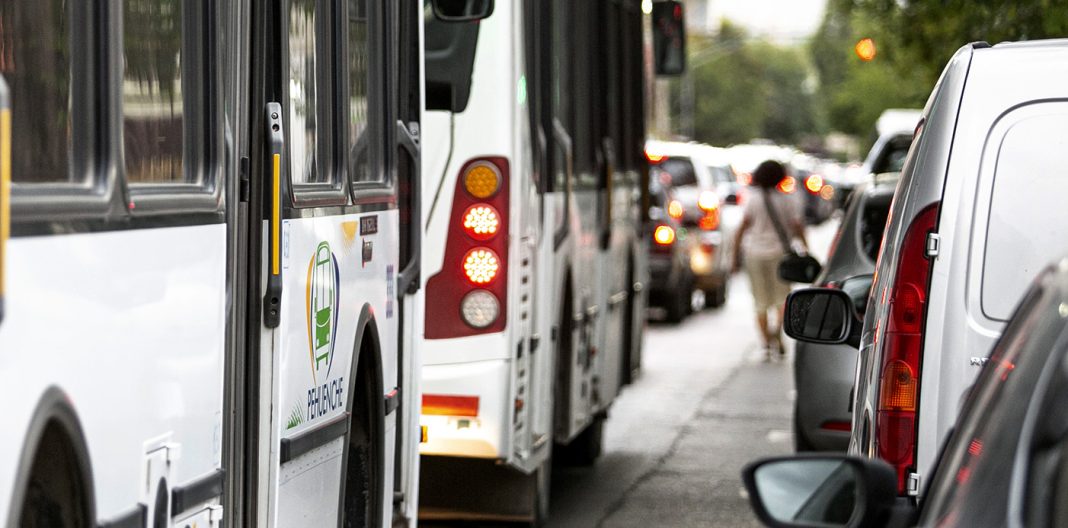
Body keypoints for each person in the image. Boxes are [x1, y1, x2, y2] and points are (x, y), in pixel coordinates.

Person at [731, 160, 808, 358]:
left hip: (754, 254)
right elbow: (797, 226)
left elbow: (742, 228)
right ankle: (777, 334)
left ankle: (766, 343)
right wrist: (806, 248)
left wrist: (734, 256)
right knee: (782, 298)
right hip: (780, 255)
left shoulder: (753, 199)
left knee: (760, 301)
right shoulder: (786, 200)